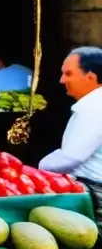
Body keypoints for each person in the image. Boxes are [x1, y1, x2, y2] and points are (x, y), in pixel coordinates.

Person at [39, 47, 102, 231]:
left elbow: (72, 156)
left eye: (68, 74)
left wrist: (36, 169)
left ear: (90, 77)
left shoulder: (93, 108)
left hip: (95, 193)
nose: (62, 80)